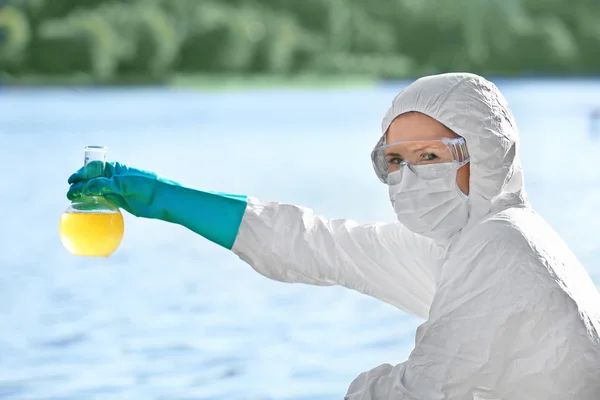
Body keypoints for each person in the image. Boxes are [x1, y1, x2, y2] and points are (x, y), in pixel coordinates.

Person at [67, 73, 600, 399]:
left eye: (431, 156)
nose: (408, 177)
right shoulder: (472, 241)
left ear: (484, 155)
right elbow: (319, 244)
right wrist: (166, 199)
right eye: (394, 160)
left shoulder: (499, 250)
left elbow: (425, 391)